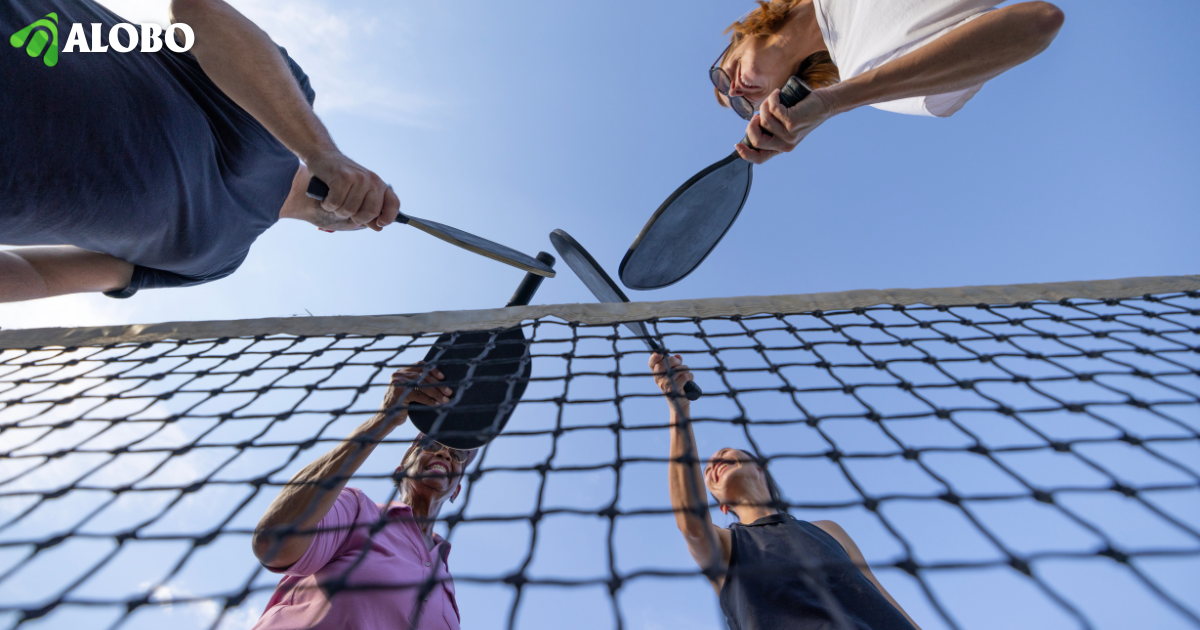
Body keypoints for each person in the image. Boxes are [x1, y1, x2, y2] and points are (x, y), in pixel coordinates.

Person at [0, 0, 399, 303]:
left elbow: (40, 274)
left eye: (373, 218)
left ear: (329, 230)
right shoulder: (286, 97)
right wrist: (322, 152)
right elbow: (196, 11)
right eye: (379, 193)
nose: (373, 209)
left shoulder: (217, 264)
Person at [649, 353, 922, 630]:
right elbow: (692, 525)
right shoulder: (726, 547)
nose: (712, 464)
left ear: (760, 466)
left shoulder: (829, 530)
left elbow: (881, 599)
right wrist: (679, 408)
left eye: (725, 454)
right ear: (722, 505)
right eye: (707, 472)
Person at [710, 0, 1065, 164]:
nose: (736, 91)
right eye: (741, 106)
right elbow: (1037, 23)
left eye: (722, 79)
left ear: (738, 38)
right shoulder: (871, 78)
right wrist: (835, 101)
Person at [250, 363, 469, 629]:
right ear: (401, 470)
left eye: (457, 455)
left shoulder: (446, 583)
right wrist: (385, 418)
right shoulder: (356, 509)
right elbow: (274, 543)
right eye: (430, 445)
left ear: (457, 489)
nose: (444, 454)